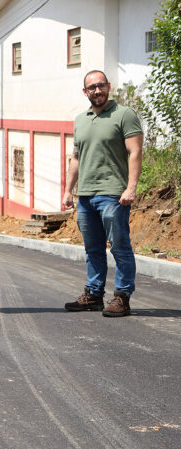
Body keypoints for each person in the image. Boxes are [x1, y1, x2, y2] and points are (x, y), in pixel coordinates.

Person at [62, 70, 143, 317]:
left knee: (119, 247)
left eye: (101, 86)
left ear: (108, 86)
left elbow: (135, 152)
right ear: (85, 92)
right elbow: (76, 157)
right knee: (93, 249)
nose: (97, 91)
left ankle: (122, 297)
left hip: (113, 195)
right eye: (92, 87)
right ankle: (94, 295)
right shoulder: (80, 119)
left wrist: (131, 188)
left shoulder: (124, 115)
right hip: (85, 196)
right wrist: (68, 190)